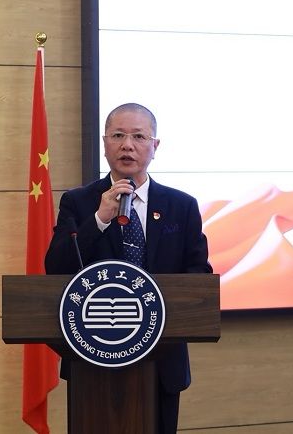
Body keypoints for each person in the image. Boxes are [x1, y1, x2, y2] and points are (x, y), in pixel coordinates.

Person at [45, 102, 213, 434]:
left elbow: (198, 275)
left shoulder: (181, 206)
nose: (127, 145)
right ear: (105, 143)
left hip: (161, 359)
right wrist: (99, 219)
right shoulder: (78, 202)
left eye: (138, 136)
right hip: (93, 354)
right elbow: (56, 267)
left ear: (155, 146)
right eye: (118, 135)